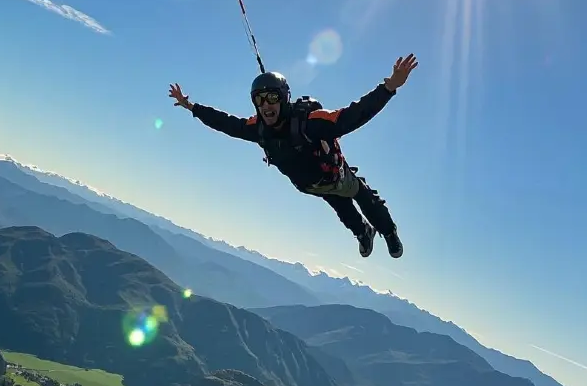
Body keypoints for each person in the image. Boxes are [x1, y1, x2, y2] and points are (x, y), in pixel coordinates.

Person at [168, 54, 418, 259]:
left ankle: (388, 232)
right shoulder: (259, 129)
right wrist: (193, 107)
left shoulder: (309, 122)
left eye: (272, 97)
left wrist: (388, 88)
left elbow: (352, 116)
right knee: (343, 209)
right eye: (260, 99)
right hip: (312, 186)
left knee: (364, 198)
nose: (266, 105)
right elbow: (227, 123)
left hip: (336, 176)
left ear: (284, 98)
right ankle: (364, 233)